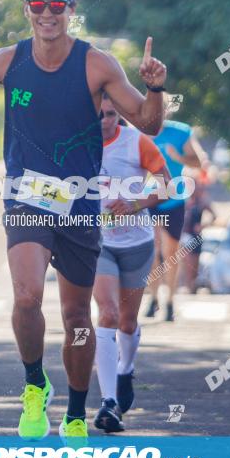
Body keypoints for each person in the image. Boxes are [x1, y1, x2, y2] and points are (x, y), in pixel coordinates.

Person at [0, 0, 167, 445]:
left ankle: (74, 409)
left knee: (76, 319)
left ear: (71, 10)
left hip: (80, 205)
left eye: (57, 5)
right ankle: (35, 384)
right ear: (26, 10)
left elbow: (147, 123)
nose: (47, 14)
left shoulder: (98, 65)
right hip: (27, 198)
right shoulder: (7, 62)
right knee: (27, 296)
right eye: (38, 5)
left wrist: (155, 88)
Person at [92, 96, 171, 433]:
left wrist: (137, 202)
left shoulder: (136, 142)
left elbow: (167, 186)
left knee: (127, 321)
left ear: (120, 115)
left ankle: (126, 371)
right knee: (107, 314)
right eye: (98, 115)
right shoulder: (79, 142)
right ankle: (109, 402)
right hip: (99, 244)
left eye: (111, 114)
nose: (105, 120)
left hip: (137, 244)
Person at [145, 118, 208, 321]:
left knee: (170, 252)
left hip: (173, 199)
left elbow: (199, 162)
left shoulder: (181, 131)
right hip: (148, 198)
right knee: (151, 251)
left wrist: (178, 156)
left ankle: (170, 302)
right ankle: (154, 299)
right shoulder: (139, 131)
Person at [181, 171, 215, 294]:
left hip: (196, 236)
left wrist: (202, 226)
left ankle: (192, 288)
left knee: (194, 264)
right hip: (185, 236)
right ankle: (188, 286)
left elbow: (214, 216)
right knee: (187, 262)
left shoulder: (202, 201)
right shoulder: (184, 200)